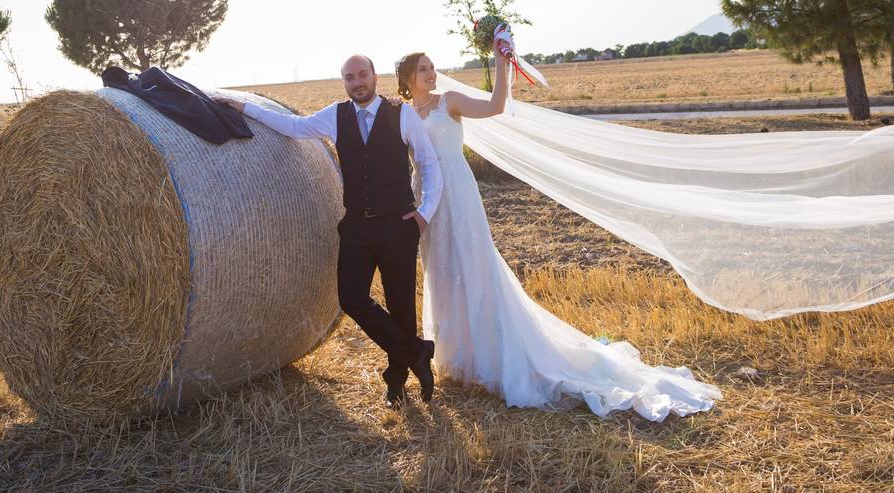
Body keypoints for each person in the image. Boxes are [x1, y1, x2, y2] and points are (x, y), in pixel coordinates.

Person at [396, 48, 721, 420]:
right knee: (441, 272)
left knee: (473, 267)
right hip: (426, 199)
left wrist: (502, 62)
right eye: (422, 69)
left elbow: (496, 105)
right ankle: (457, 358)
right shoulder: (404, 113)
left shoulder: (448, 101)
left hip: (458, 192)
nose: (431, 73)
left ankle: (493, 359)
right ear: (407, 78)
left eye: (433, 67)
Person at [215, 55, 443, 408]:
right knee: (351, 298)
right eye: (349, 78)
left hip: (398, 225)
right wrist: (244, 107)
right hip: (355, 226)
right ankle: (416, 352)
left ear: (374, 77)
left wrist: (424, 213)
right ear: (344, 83)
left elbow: (429, 165)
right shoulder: (335, 116)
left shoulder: (402, 114)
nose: (357, 82)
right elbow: (292, 126)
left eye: (362, 75)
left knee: (400, 307)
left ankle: (396, 383)